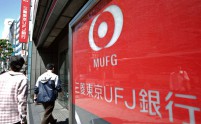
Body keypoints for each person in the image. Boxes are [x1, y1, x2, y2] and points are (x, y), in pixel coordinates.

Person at [0, 55, 28, 124]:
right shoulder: (23, 79)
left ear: (10, 64)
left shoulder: (1, 77)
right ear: (21, 66)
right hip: (14, 119)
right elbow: (22, 101)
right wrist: (23, 119)